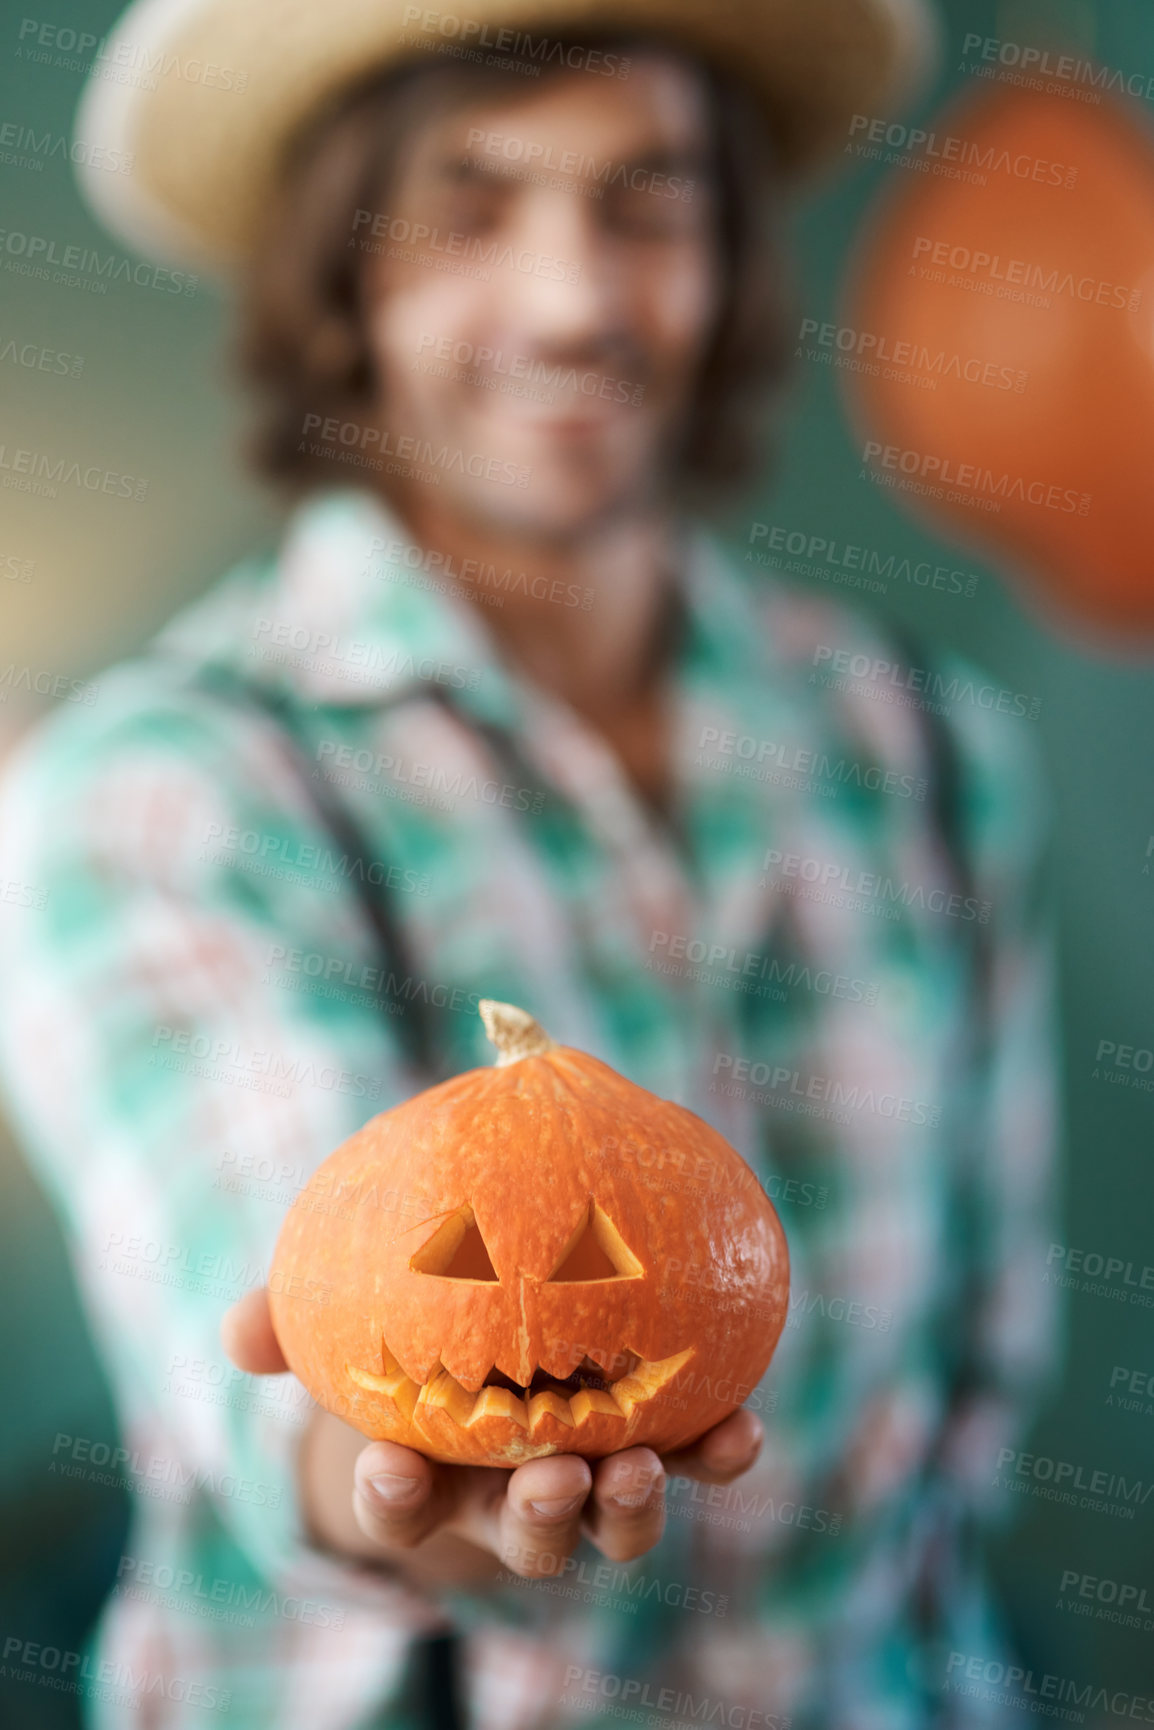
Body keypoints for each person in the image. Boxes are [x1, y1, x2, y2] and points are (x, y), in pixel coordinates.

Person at [0, 0, 1061, 1725]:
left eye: (643, 198)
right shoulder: (159, 794)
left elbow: (975, 1388)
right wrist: (415, 1487)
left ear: (723, 249)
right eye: (471, 207)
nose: (573, 299)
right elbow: (294, 1392)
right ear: (346, 271)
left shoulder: (929, 753)